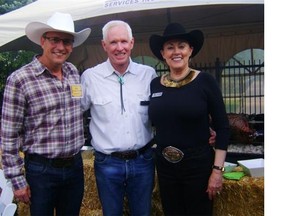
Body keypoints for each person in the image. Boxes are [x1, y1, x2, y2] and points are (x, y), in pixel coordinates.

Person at [0, 12, 91, 216]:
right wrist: (17, 180)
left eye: (67, 41)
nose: (61, 46)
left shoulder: (72, 72)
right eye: (54, 39)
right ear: (42, 41)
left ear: (72, 45)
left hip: (74, 167)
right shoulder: (20, 80)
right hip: (42, 171)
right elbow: (8, 135)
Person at [148, 23, 230, 216]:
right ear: (163, 53)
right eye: (170, 47)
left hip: (198, 167)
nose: (176, 52)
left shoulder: (205, 82)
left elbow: (223, 127)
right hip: (166, 167)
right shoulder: (154, 85)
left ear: (190, 50)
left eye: (181, 46)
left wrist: (217, 170)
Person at [80, 20, 157, 215]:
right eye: (113, 42)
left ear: (132, 43)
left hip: (143, 161)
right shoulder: (90, 77)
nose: (119, 47)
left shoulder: (148, 75)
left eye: (124, 41)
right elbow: (73, 113)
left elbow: (164, 112)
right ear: (104, 45)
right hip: (107, 163)